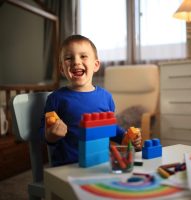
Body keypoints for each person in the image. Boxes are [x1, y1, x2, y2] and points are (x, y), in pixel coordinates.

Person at [41, 34, 142, 166]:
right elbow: (43, 132)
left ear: (96, 65)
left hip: (100, 163)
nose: (76, 62)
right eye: (69, 58)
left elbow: (109, 128)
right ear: (62, 69)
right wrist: (51, 135)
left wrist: (125, 137)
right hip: (68, 165)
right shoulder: (56, 98)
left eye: (83, 56)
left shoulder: (106, 97)